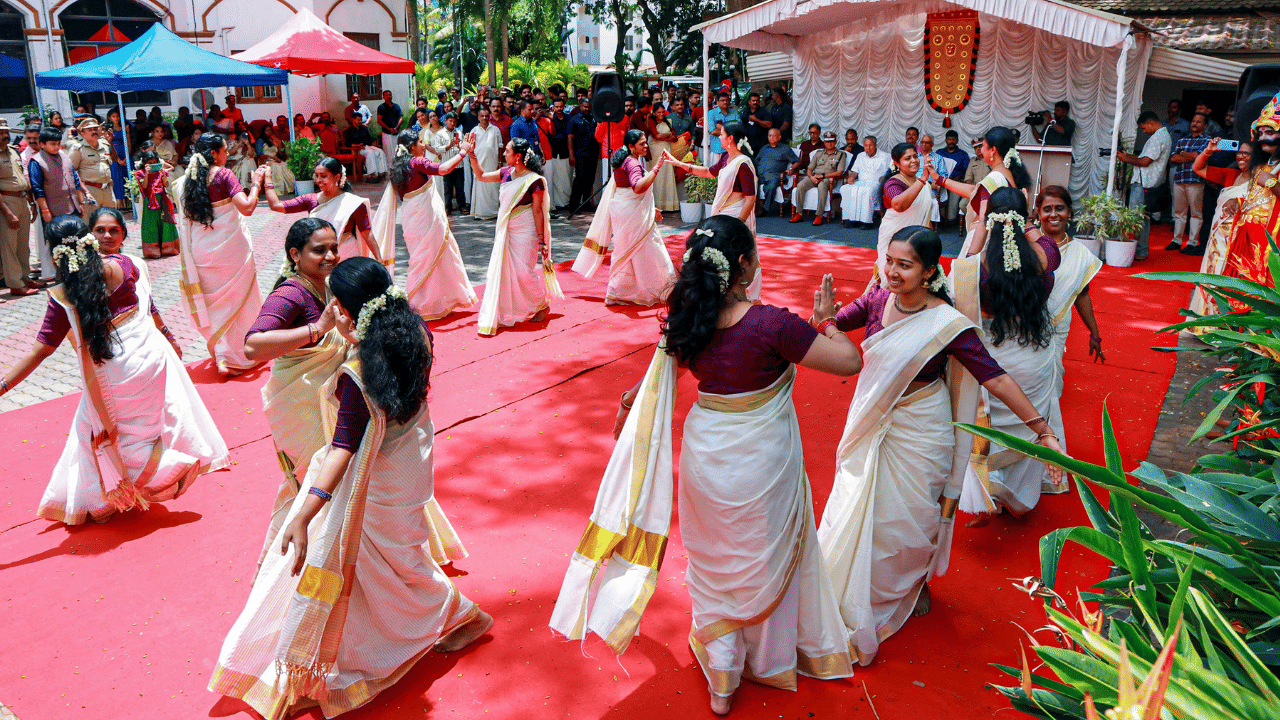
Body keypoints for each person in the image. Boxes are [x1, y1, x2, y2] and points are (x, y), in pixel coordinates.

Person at [552, 216, 862, 714]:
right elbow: (849, 362)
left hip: (706, 459)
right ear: (743, 266)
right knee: (760, 554)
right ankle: (765, 658)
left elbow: (658, 373)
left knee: (716, 563)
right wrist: (826, 320)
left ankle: (722, 675)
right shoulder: (772, 324)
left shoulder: (690, 317)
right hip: (761, 463)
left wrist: (630, 403)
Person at [210, 257, 493, 720]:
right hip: (409, 461)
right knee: (390, 566)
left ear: (343, 310)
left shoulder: (360, 371)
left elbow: (343, 448)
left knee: (394, 569)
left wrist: (304, 514)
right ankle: (353, 652)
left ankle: (462, 614)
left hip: (380, 479)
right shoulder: (412, 331)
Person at [820, 224, 1062, 665]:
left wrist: (1042, 428)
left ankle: (910, 586)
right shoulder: (877, 298)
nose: (891, 272)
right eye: (889, 261)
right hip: (873, 423)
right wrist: (824, 318)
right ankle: (857, 593)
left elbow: (995, 375)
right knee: (859, 507)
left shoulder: (946, 323)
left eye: (904, 265)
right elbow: (838, 326)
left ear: (930, 270)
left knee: (909, 518)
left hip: (921, 430)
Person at [1, 211, 228, 525]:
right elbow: (148, 306)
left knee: (94, 435)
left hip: (115, 374)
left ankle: (142, 482)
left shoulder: (63, 297)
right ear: (90, 241)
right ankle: (110, 495)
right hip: (150, 362)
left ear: (55, 253)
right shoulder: (125, 265)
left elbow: (40, 352)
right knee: (132, 433)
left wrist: (3, 387)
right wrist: (169, 337)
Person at [951, 188, 1063, 522]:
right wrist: (1027, 223)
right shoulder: (1045, 255)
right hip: (1034, 356)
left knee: (990, 430)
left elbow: (960, 277)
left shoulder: (977, 267)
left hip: (995, 361)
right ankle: (1019, 501)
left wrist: (983, 227)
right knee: (1028, 427)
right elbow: (1049, 247)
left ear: (990, 218)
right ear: (1025, 218)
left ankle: (989, 491)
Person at [174, 136, 266, 376]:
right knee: (241, 302)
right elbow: (247, 207)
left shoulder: (186, 181)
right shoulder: (224, 175)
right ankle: (245, 352)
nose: (228, 155)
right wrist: (256, 183)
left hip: (202, 251)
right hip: (231, 251)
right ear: (214, 153)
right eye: (225, 151)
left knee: (217, 307)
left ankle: (224, 355)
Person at [1036, 186, 1104, 484]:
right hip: (1021, 331)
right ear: (1038, 213)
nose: (1054, 214)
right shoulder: (1028, 245)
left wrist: (1095, 333)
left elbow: (1082, 295)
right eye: (1047, 208)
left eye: (1059, 208)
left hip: (1055, 334)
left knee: (1051, 391)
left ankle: (1046, 467)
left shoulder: (1079, 254)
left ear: (1069, 213)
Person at [573, 129, 676, 306]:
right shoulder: (632, 163)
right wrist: (657, 167)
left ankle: (617, 292)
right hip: (631, 213)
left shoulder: (623, 159)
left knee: (625, 252)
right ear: (631, 146)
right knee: (650, 249)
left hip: (624, 209)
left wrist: (651, 207)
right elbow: (637, 188)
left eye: (645, 142)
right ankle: (666, 288)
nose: (645, 145)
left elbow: (628, 189)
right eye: (642, 143)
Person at [387, 128, 478, 319]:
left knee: (421, 258)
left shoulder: (396, 167)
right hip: (426, 218)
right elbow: (443, 169)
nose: (423, 145)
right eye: (420, 142)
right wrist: (463, 152)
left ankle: (429, 303)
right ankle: (428, 303)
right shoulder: (417, 162)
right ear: (412, 147)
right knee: (434, 256)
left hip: (411, 218)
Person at [468, 137, 554, 335]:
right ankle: (509, 310)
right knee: (505, 272)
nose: (504, 154)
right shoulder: (506, 173)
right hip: (507, 230)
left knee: (524, 272)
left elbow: (538, 212)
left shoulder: (535, 180)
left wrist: (542, 241)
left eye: (507, 151)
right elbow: (480, 175)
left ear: (518, 157)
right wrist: (471, 154)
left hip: (527, 231)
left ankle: (541, 304)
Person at [930, 126, 1033, 258]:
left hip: (986, 241)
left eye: (983, 146)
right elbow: (974, 191)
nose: (981, 150)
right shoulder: (1007, 173)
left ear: (993, 150)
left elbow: (984, 221)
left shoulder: (994, 177)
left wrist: (970, 256)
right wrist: (940, 179)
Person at [265, 157, 387, 268]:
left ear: (337, 177)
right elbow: (277, 206)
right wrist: (268, 179)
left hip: (347, 258)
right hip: (319, 259)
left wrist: (379, 261)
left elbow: (367, 233)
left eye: (323, 176)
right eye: (316, 176)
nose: (318, 180)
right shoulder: (310, 200)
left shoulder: (354, 204)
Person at [1186, 139, 1253, 324]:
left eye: (1246, 154)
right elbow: (1198, 168)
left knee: (1225, 275)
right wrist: (1208, 150)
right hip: (1217, 236)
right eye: (1239, 153)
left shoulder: (1260, 180)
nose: (1241, 156)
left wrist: (1239, 203)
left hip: (1237, 238)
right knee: (1211, 271)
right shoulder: (1231, 174)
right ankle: (1204, 321)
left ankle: (1219, 323)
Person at [669, 121, 758, 233]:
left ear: (730, 138)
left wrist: (739, 223)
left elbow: (750, 198)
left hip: (736, 217)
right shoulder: (726, 157)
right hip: (723, 215)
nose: (720, 137)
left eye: (722, 134)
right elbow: (709, 172)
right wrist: (680, 164)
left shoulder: (743, 164)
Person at [30, 127, 87, 282]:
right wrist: (45, 210)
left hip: (73, 206)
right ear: (42, 144)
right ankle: (62, 278)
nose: (56, 147)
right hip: (54, 210)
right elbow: (37, 189)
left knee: (77, 241)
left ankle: (79, 274)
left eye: (58, 143)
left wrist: (81, 202)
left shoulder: (65, 156)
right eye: (52, 144)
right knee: (59, 246)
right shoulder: (36, 162)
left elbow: (75, 180)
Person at [872, 143, 932, 283]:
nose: (914, 160)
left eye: (915, 156)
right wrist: (922, 179)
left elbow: (925, 215)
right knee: (892, 278)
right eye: (907, 158)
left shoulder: (924, 184)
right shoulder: (893, 183)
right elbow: (898, 205)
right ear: (897, 163)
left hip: (917, 239)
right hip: (894, 238)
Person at [1117, 111, 1172, 261]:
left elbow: (1145, 162)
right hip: (1150, 182)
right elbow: (1144, 159)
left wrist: (1125, 158)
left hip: (1144, 183)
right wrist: (1127, 156)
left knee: (1137, 218)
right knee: (1143, 218)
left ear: (1150, 123)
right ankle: (1140, 250)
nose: (1144, 131)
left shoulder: (1158, 138)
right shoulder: (1163, 136)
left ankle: (1139, 251)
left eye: (1144, 128)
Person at [1168, 112, 1213, 255]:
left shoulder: (1207, 140)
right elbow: (1173, 158)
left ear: (1205, 125)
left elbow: (1199, 157)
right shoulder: (1183, 139)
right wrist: (1192, 156)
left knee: (1196, 213)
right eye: (1193, 121)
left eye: (1199, 122)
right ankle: (1177, 240)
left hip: (1196, 180)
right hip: (1180, 179)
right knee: (1179, 212)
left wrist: (1186, 155)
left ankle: (1192, 242)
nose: (1194, 124)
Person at [0, 119, 36, 297]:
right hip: (6, 201)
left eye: (5, 132)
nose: (5, 135)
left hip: (22, 199)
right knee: (9, 246)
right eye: (0, 133)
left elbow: (22, 178)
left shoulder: (13, 152)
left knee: (23, 244)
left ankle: (24, 277)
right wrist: (7, 213)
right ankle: (15, 283)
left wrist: (31, 202)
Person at [790, 130, 846, 226]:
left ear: (836, 142)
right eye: (827, 141)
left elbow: (839, 172)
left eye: (832, 141)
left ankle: (819, 215)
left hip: (830, 178)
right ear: (824, 142)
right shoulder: (819, 153)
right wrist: (811, 177)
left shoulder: (840, 154)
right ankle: (799, 213)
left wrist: (823, 176)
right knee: (800, 185)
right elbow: (809, 168)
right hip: (815, 176)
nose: (829, 143)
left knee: (822, 185)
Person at [838, 135, 892, 228]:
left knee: (867, 191)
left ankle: (866, 222)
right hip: (861, 182)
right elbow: (855, 171)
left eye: (870, 145)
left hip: (876, 183)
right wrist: (851, 177)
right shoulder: (860, 155)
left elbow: (891, 172)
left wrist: (884, 177)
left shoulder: (885, 156)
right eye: (866, 145)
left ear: (875, 145)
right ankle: (850, 219)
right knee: (845, 189)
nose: (868, 148)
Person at [134, 151, 178, 258]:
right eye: (150, 163)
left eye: (155, 162)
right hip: (150, 201)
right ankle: (153, 251)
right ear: (145, 163)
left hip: (162, 199)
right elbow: (144, 187)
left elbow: (166, 185)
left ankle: (168, 249)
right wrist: (147, 174)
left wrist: (163, 175)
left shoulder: (160, 171)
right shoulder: (140, 173)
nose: (153, 164)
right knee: (151, 225)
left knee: (165, 223)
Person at [68, 118, 115, 220]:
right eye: (90, 130)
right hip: (90, 190)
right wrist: (82, 193)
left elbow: (113, 161)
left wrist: (110, 142)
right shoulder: (78, 149)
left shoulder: (105, 145)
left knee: (110, 220)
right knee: (89, 222)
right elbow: (71, 171)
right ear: (83, 133)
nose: (94, 132)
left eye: (95, 129)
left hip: (107, 189)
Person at [468, 105, 504, 220]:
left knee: (493, 186)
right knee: (480, 187)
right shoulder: (474, 131)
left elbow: (500, 147)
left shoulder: (495, 130)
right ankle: (480, 213)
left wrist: (499, 161)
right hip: (479, 164)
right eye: (482, 116)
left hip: (493, 163)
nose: (484, 118)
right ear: (478, 117)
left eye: (486, 116)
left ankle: (493, 212)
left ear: (489, 117)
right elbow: (471, 149)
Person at [754, 127, 797, 217]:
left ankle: (765, 208)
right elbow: (756, 160)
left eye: (774, 136)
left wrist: (791, 168)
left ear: (779, 137)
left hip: (775, 174)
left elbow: (797, 161)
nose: (771, 138)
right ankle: (752, 207)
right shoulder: (764, 148)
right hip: (760, 173)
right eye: (770, 135)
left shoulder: (785, 149)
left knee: (772, 184)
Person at [645, 104, 678, 212]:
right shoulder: (651, 121)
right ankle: (655, 205)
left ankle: (667, 205)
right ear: (654, 113)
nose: (661, 114)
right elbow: (656, 136)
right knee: (655, 176)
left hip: (665, 150)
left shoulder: (667, 121)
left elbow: (675, 138)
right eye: (659, 112)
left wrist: (665, 136)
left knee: (667, 176)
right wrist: (668, 135)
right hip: (654, 151)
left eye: (662, 112)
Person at [568, 98, 599, 213]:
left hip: (592, 154)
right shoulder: (574, 119)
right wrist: (571, 155)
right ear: (580, 106)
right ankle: (574, 206)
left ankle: (586, 204)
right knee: (579, 180)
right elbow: (570, 138)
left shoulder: (594, 119)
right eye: (585, 106)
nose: (587, 109)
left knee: (590, 180)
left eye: (589, 107)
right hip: (580, 154)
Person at [937, 130, 971, 227]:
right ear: (946, 140)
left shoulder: (963, 154)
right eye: (949, 139)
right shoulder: (940, 153)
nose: (951, 141)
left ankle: (951, 220)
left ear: (957, 141)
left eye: (953, 139)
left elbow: (966, 172)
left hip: (956, 182)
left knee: (954, 196)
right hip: (942, 182)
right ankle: (940, 219)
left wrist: (958, 178)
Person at [546, 99, 573, 211]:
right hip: (554, 153)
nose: (559, 109)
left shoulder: (569, 118)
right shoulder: (549, 120)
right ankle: (559, 203)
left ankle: (566, 202)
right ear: (553, 107)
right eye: (556, 107)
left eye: (561, 106)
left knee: (567, 179)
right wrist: (552, 120)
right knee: (557, 180)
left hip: (566, 153)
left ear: (564, 106)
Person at [705, 93, 736, 165]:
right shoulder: (711, 113)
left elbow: (738, 130)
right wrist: (731, 132)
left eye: (727, 100)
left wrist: (722, 127)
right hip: (717, 149)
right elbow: (713, 131)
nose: (725, 102)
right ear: (717, 101)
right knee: (716, 174)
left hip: (731, 150)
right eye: (722, 100)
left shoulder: (735, 113)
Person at [376, 90, 403, 165]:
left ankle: (397, 171)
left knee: (397, 152)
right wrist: (389, 129)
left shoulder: (396, 106)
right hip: (386, 133)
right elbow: (379, 120)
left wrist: (396, 128)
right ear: (383, 97)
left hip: (396, 133)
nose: (388, 96)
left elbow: (401, 118)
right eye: (386, 95)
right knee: (388, 153)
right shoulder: (381, 107)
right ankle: (389, 174)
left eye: (390, 95)